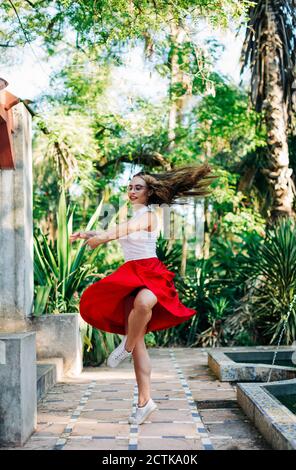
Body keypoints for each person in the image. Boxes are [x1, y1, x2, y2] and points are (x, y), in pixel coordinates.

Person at [70, 163, 216, 425]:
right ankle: (144, 402)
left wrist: (101, 239)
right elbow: (116, 232)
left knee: (145, 301)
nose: (132, 191)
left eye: (138, 187)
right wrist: (86, 234)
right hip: (130, 275)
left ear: (150, 193)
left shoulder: (149, 216)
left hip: (149, 272)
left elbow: (116, 233)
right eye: (130, 187)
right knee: (140, 347)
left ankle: (125, 345)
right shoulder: (131, 217)